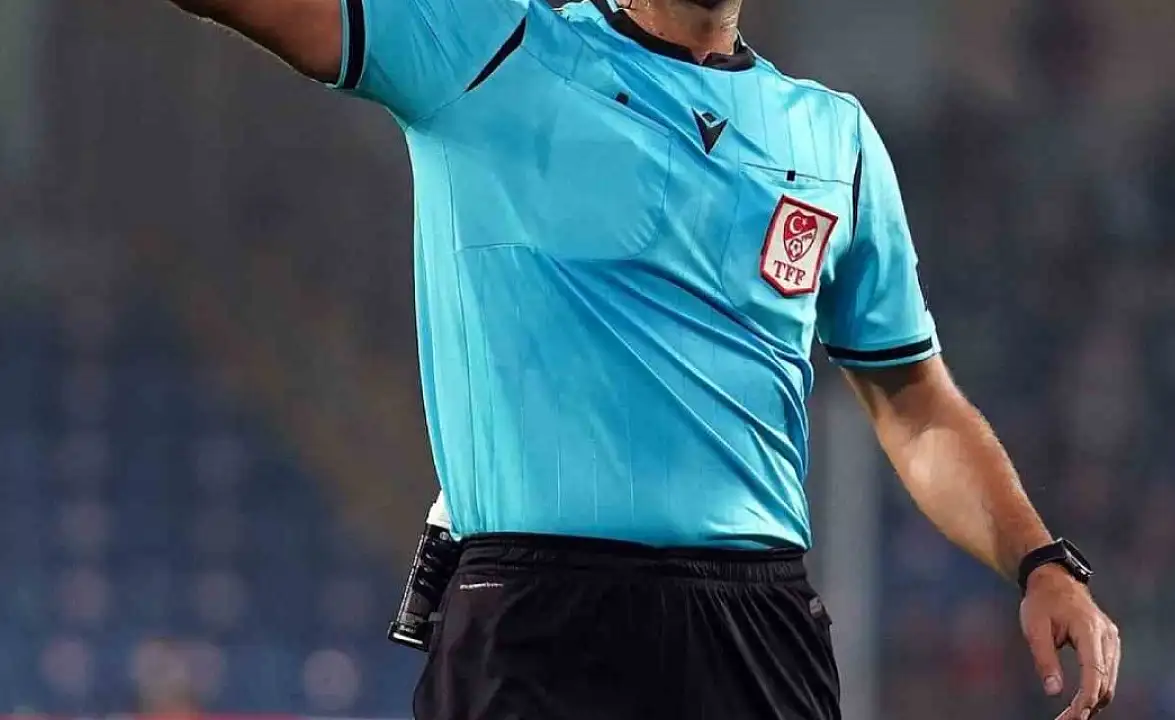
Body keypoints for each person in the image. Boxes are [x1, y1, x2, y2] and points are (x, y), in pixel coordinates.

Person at [160, 1, 1121, 718]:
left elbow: (913, 402)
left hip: (756, 631)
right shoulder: (490, 45)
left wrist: (1040, 560)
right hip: (535, 622)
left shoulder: (833, 138)